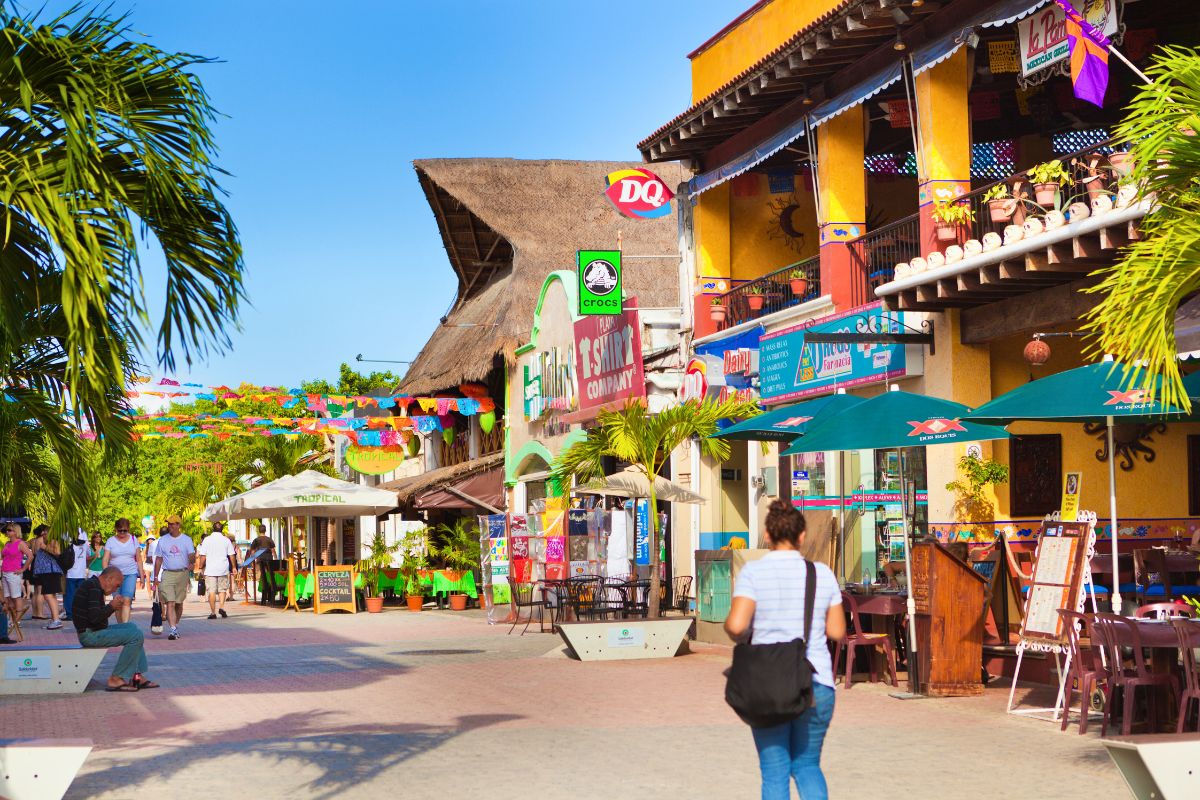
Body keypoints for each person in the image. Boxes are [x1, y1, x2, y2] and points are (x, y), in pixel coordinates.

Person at [724, 499, 846, 800]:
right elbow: (837, 631)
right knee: (807, 766)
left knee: (774, 771)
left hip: (768, 685)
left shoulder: (752, 573)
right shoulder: (822, 574)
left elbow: (736, 626)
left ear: (767, 534)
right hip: (816, 683)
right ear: (801, 536)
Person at [72, 566, 159, 692]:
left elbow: (95, 618)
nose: (116, 589)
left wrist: (111, 607)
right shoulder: (93, 587)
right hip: (89, 635)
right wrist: (111, 607)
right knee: (135, 635)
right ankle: (116, 678)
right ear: (109, 578)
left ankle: (137, 675)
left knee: (132, 627)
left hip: (94, 631)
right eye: (117, 585)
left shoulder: (93, 585)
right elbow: (95, 618)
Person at [152, 515, 195, 640]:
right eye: (168, 524)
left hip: (182, 573)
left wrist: (192, 558)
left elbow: (192, 557)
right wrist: (155, 576)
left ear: (178, 525)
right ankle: (173, 629)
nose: (169, 526)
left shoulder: (186, 540)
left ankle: (175, 625)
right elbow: (159, 559)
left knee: (178, 603)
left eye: (172, 524)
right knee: (170, 602)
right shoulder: (163, 540)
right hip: (167, 573)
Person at [102, 518, 145, 623]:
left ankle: (125, 625)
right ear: (116, 529)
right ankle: (120, 625)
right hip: (114, 576)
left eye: (125, 530)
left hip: (130, 573)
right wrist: (106, 576)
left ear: (128, 529)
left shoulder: (133, 540)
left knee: (127, 600)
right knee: (118, 601)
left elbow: (138, 559)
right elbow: (105, 559)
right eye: (119, 530)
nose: (122, 533)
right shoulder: (111, 541)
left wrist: (142, 576)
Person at [198, 522, 236, 619]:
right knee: (222, 589)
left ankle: (213, 612)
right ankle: (222, 607)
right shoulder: (226, 540)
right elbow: (231, 555)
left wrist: (200, 566)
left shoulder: (207, 540)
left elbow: (203, 555)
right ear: (222, 529)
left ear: (212, 529)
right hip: (223, 568)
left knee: (211, 591)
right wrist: (234, 567)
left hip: (210, 569)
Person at [29, 526, 64, 628]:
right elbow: (35, 552)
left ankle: (56, 620)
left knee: (49, 595)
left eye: (45, 532)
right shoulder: (41, 541)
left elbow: (57, 553)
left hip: (51, 571)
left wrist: (44, 546)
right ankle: (54, 619)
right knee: (49, 595)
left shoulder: (52, 541)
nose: (43, 534)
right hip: (44, 572)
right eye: (43, 532)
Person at [2, 524, 32, 627]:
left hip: (14, 573)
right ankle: (11, 619)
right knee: (8, 597)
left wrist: (23, 569)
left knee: (16, 597)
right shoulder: (7, 543)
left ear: (15, 532)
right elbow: (3, 556)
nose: (7, 532)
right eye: (7, 530)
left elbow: (30, 556)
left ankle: (17, 620)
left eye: (10, 530)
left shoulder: (20, 543)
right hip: (5, 572)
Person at [63, 534, 91, 622]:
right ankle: (81, 613)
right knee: (81, 595)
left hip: (70, 573)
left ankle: (70, 614)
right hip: (81, 574)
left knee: (69, 595)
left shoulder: (69, 543)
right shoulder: (85, 544)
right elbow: (89, 554)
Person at [250, 524, 277, 604]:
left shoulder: (256, 540)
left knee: (263, 577)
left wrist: (252, 560)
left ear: (259, 530)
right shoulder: (269, 539)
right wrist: (276, 558)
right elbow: (273, 550)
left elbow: (253, 551)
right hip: (269, 559)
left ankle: (263, 599)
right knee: (271, 577)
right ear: (265, 530)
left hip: (260, 559)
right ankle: (272, 598)